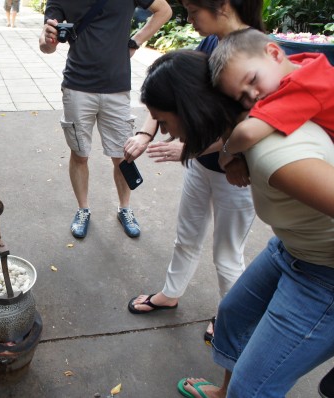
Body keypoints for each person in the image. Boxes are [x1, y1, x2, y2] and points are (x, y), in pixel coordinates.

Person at [143, 50, 334, 398]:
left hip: (324, 276)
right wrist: (230, 154)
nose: (167, 134)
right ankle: (224, 392)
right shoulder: (244, 134)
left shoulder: (276, 157)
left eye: (166, 123)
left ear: (192, 112)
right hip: (290, 248)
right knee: (233, 315)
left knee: (252, 389)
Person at [124, 0, 260, 344]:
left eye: (191, 9)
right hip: (203, 166)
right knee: (186, 235)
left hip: (235, 175)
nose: (187, 17)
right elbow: (172, 90)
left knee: (227, 254)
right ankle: (171, 292)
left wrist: (191, 148)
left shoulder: (254, 56)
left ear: (223, 5)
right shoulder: (214, 41)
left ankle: (229, 316)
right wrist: (146, 132)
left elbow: (247, 127)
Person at [39, 0, 172, 239]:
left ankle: (125, 209)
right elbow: (47, 45)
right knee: (80, 154)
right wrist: (47, 40)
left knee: (122, 155)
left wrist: (136, 41)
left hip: (117, 87)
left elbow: (164, 10)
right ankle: (83, 210)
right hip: (77, 86)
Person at [208, 28, 334, 168]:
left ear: (274, 54)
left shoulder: (305, 85)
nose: (253, 95)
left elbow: (247, 133)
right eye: (242, 97)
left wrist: (226, 151)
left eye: (252, 79)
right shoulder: (300, 65)